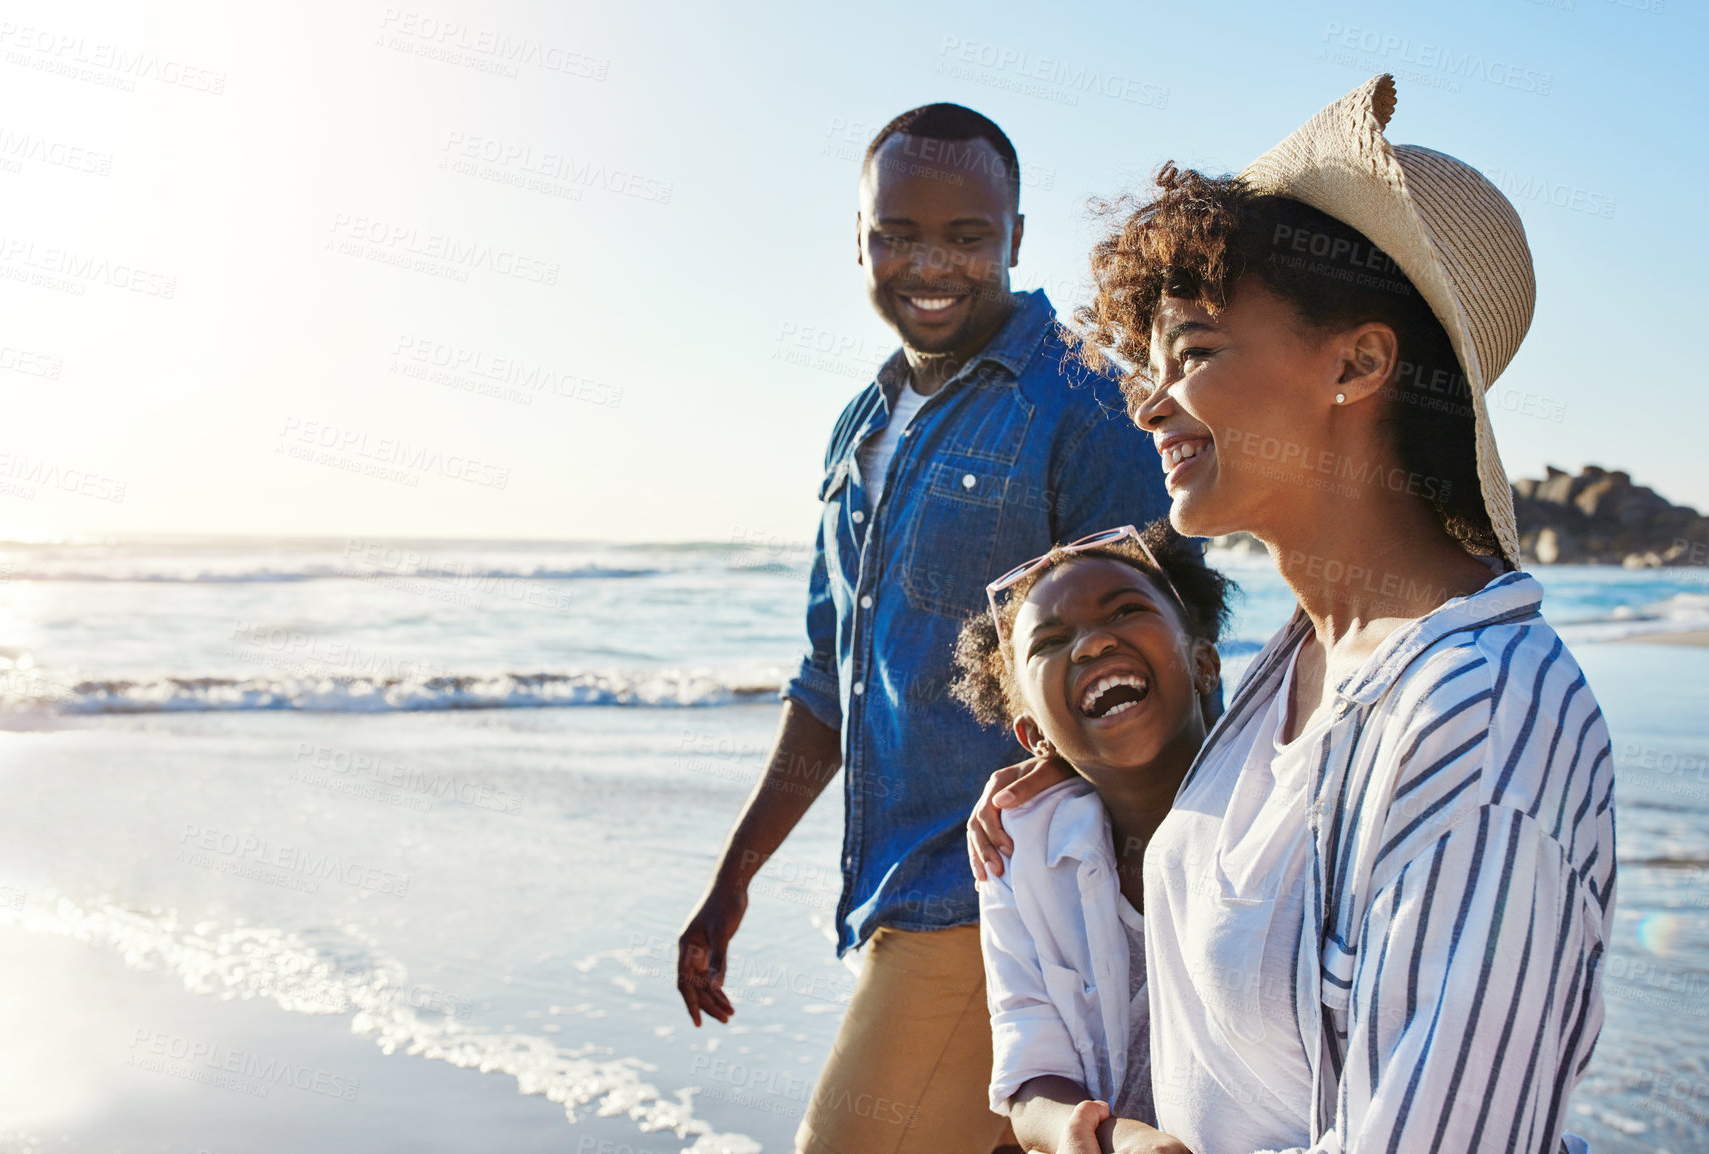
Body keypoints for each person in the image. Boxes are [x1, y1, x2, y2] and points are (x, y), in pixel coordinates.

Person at [968, 75, 1612, 1154]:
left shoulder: (1484, 715)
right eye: (1150, 360)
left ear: (1357, 362)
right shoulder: (1289, 670)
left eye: (1197, 352)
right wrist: (1072, 769)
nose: (1146, 397)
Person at [676, 103, 1178, 1154]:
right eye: (898, 234)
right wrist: (734, 878)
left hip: (1005, 900)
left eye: (966, 236)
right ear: (857, 239)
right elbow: (831, 682)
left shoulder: (1083, 399)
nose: (930, 263)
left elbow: (1165, 650)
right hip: (892, 890)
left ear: (1015, 239)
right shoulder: (860, 427)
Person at [951, 520, 1232, 1153]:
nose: (1090, 644)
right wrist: (1109, 1139)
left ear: (1203, 663)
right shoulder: (1015, 848)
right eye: (1049, 641)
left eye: (1127, 609)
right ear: (1034, 738)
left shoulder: (1277, 805)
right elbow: (1028, 1070)